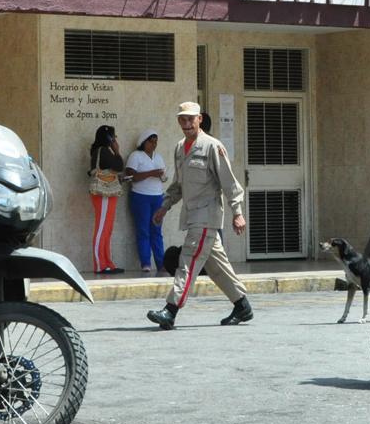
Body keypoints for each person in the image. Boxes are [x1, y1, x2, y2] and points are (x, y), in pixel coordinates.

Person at [146, 102, 251, 329]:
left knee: (188, 260)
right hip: (192, 215)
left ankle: (170, 310)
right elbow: (177, 186)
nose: (186, 124)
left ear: (199, 119)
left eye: (190, 119)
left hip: (206, 215)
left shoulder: (212, 146)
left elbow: (229, 182)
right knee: (216, 266)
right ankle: (242, 305)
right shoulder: (179, 148)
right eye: (182, 120)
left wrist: (237, 213)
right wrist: (165, 206)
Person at [125, 129, 166, 273]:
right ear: (144, 142)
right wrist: (152, 173)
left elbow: (162, 174)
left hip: (157, 196)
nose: (154, 145)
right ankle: (146, 263)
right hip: (140, 196)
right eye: (151, 141)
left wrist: (160, 176)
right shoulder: (136, 156)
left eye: (156, 142)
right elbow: (131, 176)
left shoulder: (158, 157)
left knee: (156, 230)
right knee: (143, 230)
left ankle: (161, 263)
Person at [87, 125, 126, 275]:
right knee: (102, 229)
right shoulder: (103, 151)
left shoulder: (103, 151)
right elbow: (119, 166)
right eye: (113, 137)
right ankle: (99, 264)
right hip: (103, 195)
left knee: (107, 230)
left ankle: (107, 263)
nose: (115, 139)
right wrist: (117, 151)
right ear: (108, 138)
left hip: (109, 195)